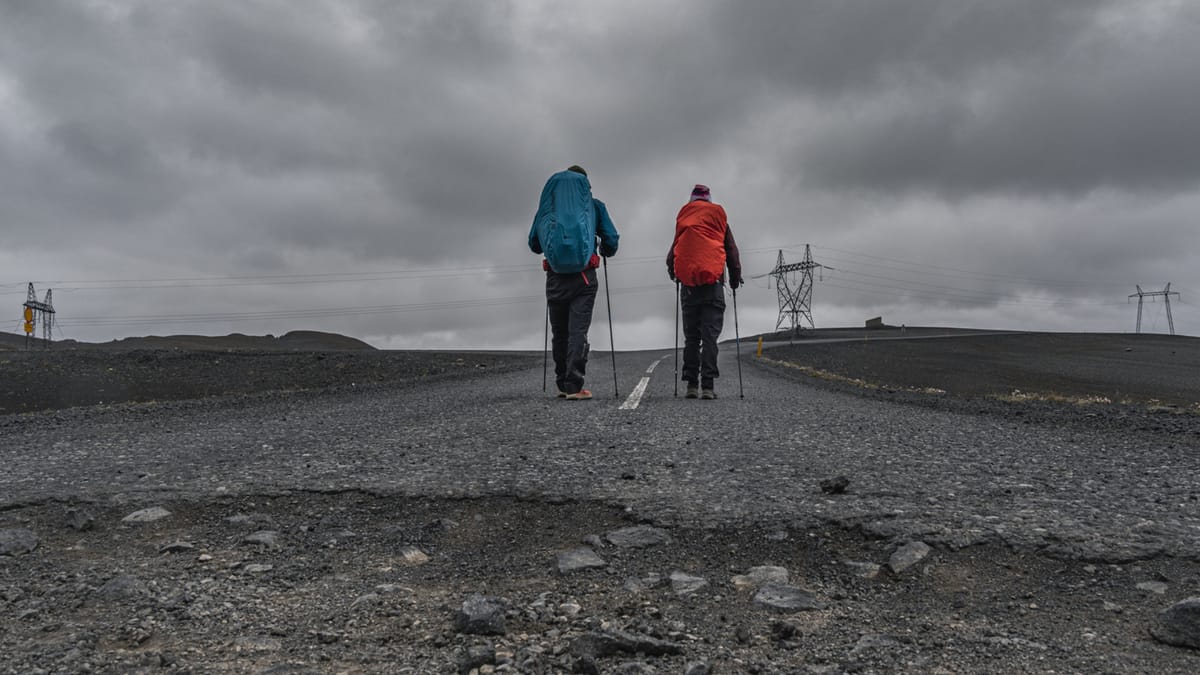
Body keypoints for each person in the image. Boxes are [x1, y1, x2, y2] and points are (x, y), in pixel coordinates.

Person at [528, 165, 619, 400]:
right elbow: (611, 239)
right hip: (584, 277)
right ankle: (574, 386)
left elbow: (533, 243)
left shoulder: (547, 208)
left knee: (559, 332)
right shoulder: (594, 206)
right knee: (578, 330)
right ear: (585, 185)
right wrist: (604, 249)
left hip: (555, 277)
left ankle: (561, 383)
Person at [666, 184, 742, 399]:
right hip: (713, 285)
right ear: (709, 200)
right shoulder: (718, 218)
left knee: (691, 337)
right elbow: (731, 252)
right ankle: (707, 387)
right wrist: (735, 280)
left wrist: (675, 274)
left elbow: (673, 253)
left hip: (689, 287)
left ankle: (691, 385)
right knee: (710, 337)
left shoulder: (685, 217)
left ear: (691, 201)